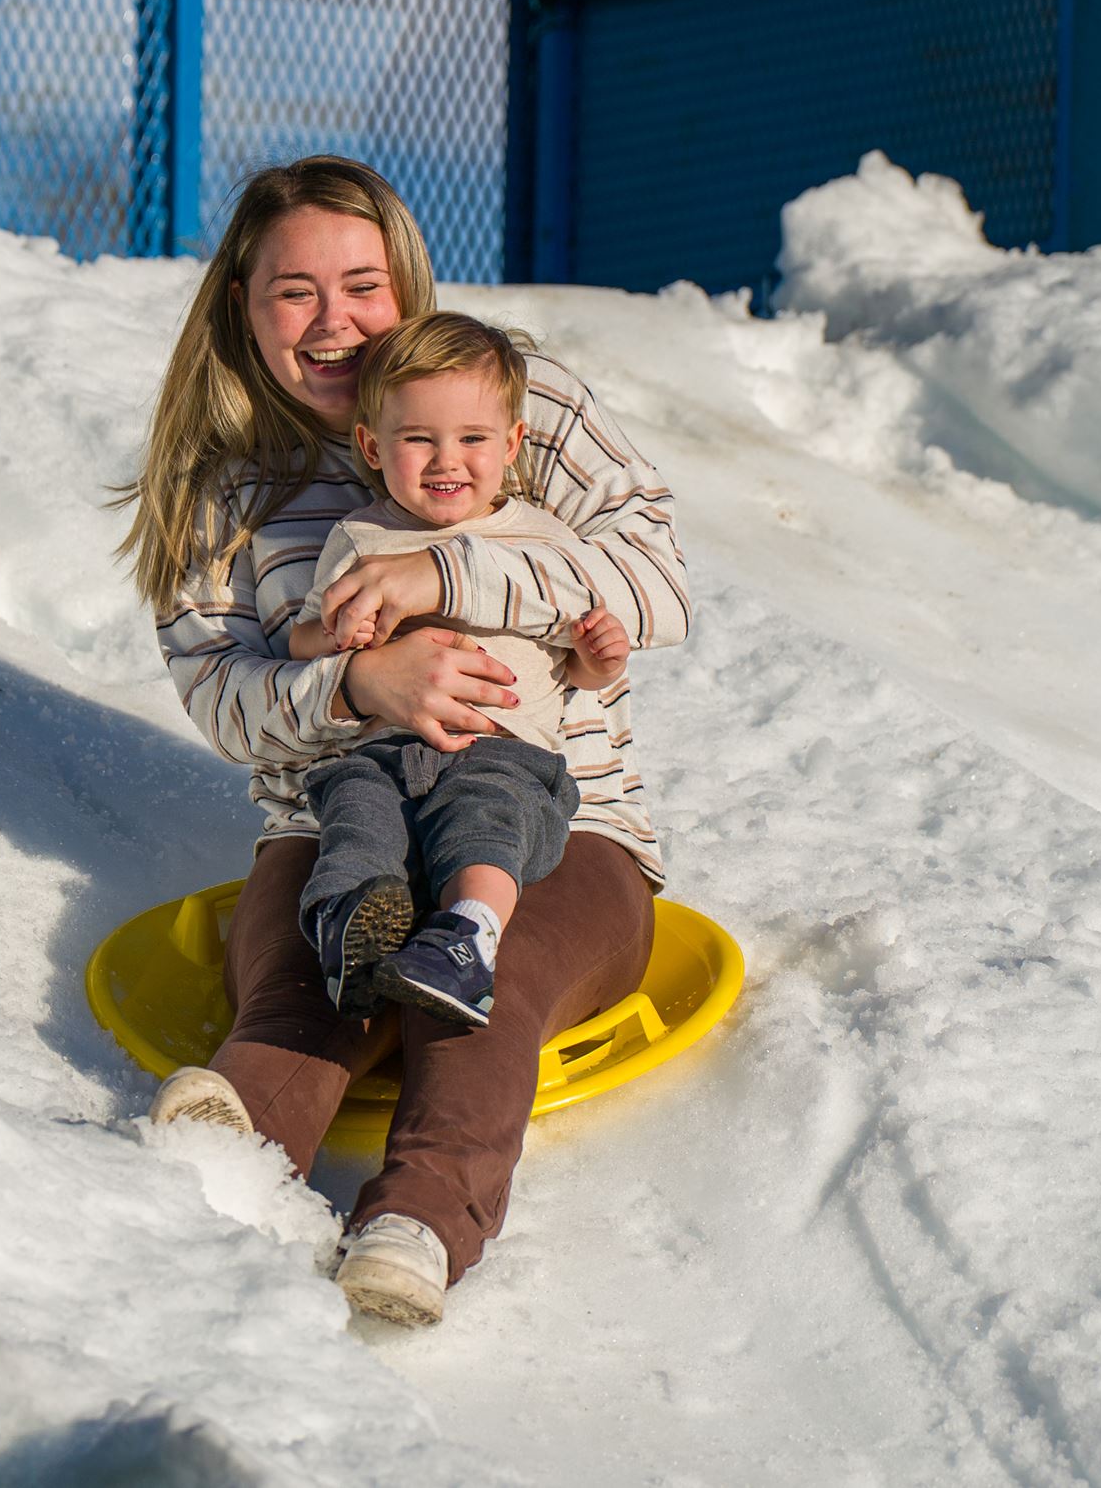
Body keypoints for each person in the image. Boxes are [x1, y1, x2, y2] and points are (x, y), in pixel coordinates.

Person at [120, 156, 690, 1328]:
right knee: (325, 958)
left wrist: (447, 565)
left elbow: (658, 583)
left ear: (406, 284)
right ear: (241, 300)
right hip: (341, 805)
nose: (334, 322)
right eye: (293, 291)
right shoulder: (226, 495)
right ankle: (206, 1176)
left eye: (361, 285)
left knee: (482, 967)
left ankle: (419, 1220)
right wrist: (354, 683)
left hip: (559, 817)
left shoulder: (505, 395)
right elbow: (222, 698)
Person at [284, 312, 631, 1031]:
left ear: (511, 444)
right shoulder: (359, 538)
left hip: (503, 750)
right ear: (373, 447)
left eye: (472, 439)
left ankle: (470, 936)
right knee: (354, 814)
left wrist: (599, 658)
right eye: (419, 440)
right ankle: (347, 926)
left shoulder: (540, 538)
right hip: (383, 750)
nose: (447, 461)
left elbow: (576, 670)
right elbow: (304, 641)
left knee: (486, 820)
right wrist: (337, 635)